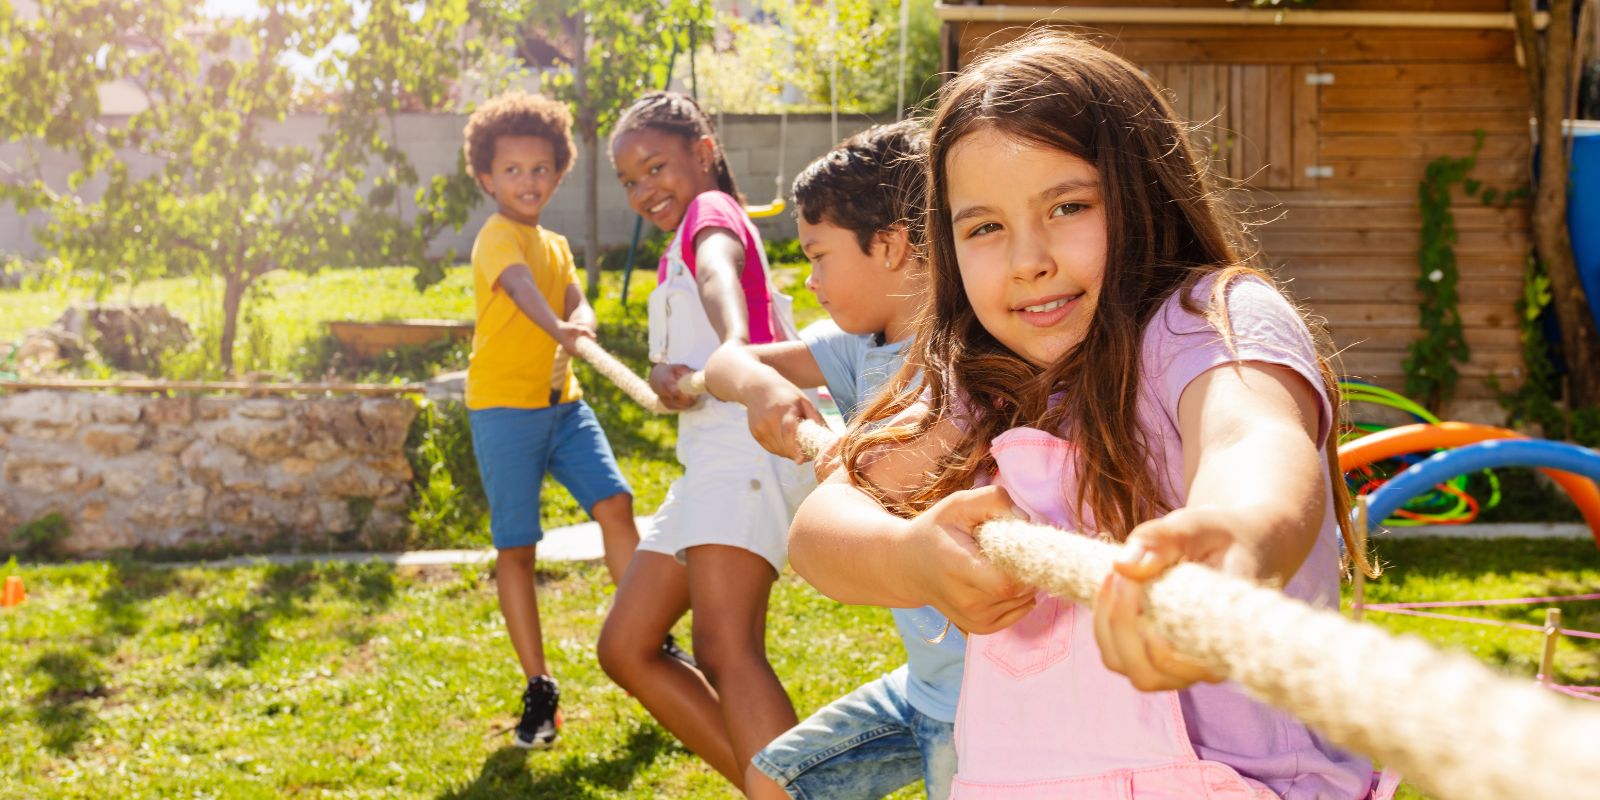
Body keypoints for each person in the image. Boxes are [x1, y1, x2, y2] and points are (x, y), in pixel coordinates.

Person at [788, 31, 1390, 799]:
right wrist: (909, 555)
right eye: (984, 228)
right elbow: (820, 530)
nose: (1026, 259)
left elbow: (1253, 435)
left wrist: (1236, 537)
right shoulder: (979, 382)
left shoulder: (1205, 322)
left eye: (1068, 206)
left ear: (1145, 196)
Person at [699, 121, 963, 800]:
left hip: (982, 702)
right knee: (777, 778)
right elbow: (726, 363)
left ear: (892, 245)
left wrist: (858, 453)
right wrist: (762, 387)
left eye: (818, 256)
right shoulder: (856, 349)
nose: (809, 280)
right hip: (927, 685)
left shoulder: (975, 358)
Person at [597, 90, 807, 792]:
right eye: (629, 180)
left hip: (745, 452)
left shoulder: (710, 216)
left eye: (655, 167)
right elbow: (690, 354)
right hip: (708, 462)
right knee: (627, 648)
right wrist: (669, 375)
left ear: (704, 152)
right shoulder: (673, 248)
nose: (642, 189)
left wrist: (735, 345)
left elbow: (721, 272)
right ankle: (776, 790)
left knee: (725, 648)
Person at [460, 91, 644, 750]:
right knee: (517, 546)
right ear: (487, 178)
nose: (527, 181)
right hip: (504, 410)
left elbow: (572, 296)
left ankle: (649, 633)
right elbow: (523, 292)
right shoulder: (496, 238)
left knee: (616, 502)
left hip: (562, 407)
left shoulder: (557, 244)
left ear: (557, 172)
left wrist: (584, 321)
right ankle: (539, 686)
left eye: (540, 169)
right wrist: (562, 327)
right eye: (512, 171)